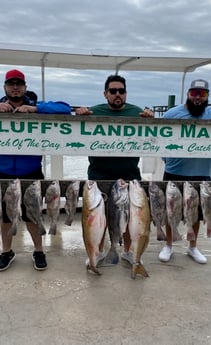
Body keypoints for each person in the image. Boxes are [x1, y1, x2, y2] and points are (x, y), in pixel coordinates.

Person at [0, 69, 71, 272]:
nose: (15, 87)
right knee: (5, 216)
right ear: (5, 87)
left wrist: (35, 109)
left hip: (31, 173)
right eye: (11, 84)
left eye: (19, 84)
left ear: (25, 87)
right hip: (2, 172)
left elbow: (64, 108)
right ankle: (6, 251)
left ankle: (39, 250)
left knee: (33, 215)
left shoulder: (34, 106)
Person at [159, 79, 211, 264]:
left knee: (196, 213)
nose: (197, 98)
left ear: (207, 96)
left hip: (202, 173)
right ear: (188, 94)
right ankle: (168, 245)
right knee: (170, 211)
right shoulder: (173, 113)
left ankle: (192, 246)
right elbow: (158, 137)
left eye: (202, 94)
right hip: (175, 173)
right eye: (194, 93)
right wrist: (167, 159)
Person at [76, 74, 154, 265]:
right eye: (113, 91)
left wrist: (150, 119)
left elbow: (156, 133)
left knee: (131, 217)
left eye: (121, 91)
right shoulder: (93, 112)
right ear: (105, 93)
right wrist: (78, 115)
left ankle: (128, 251)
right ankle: (98, 251)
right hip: (98, 173)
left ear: (126, 93)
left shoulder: (137, 113)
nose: (117, 94)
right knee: (98, 217)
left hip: (129, 174)